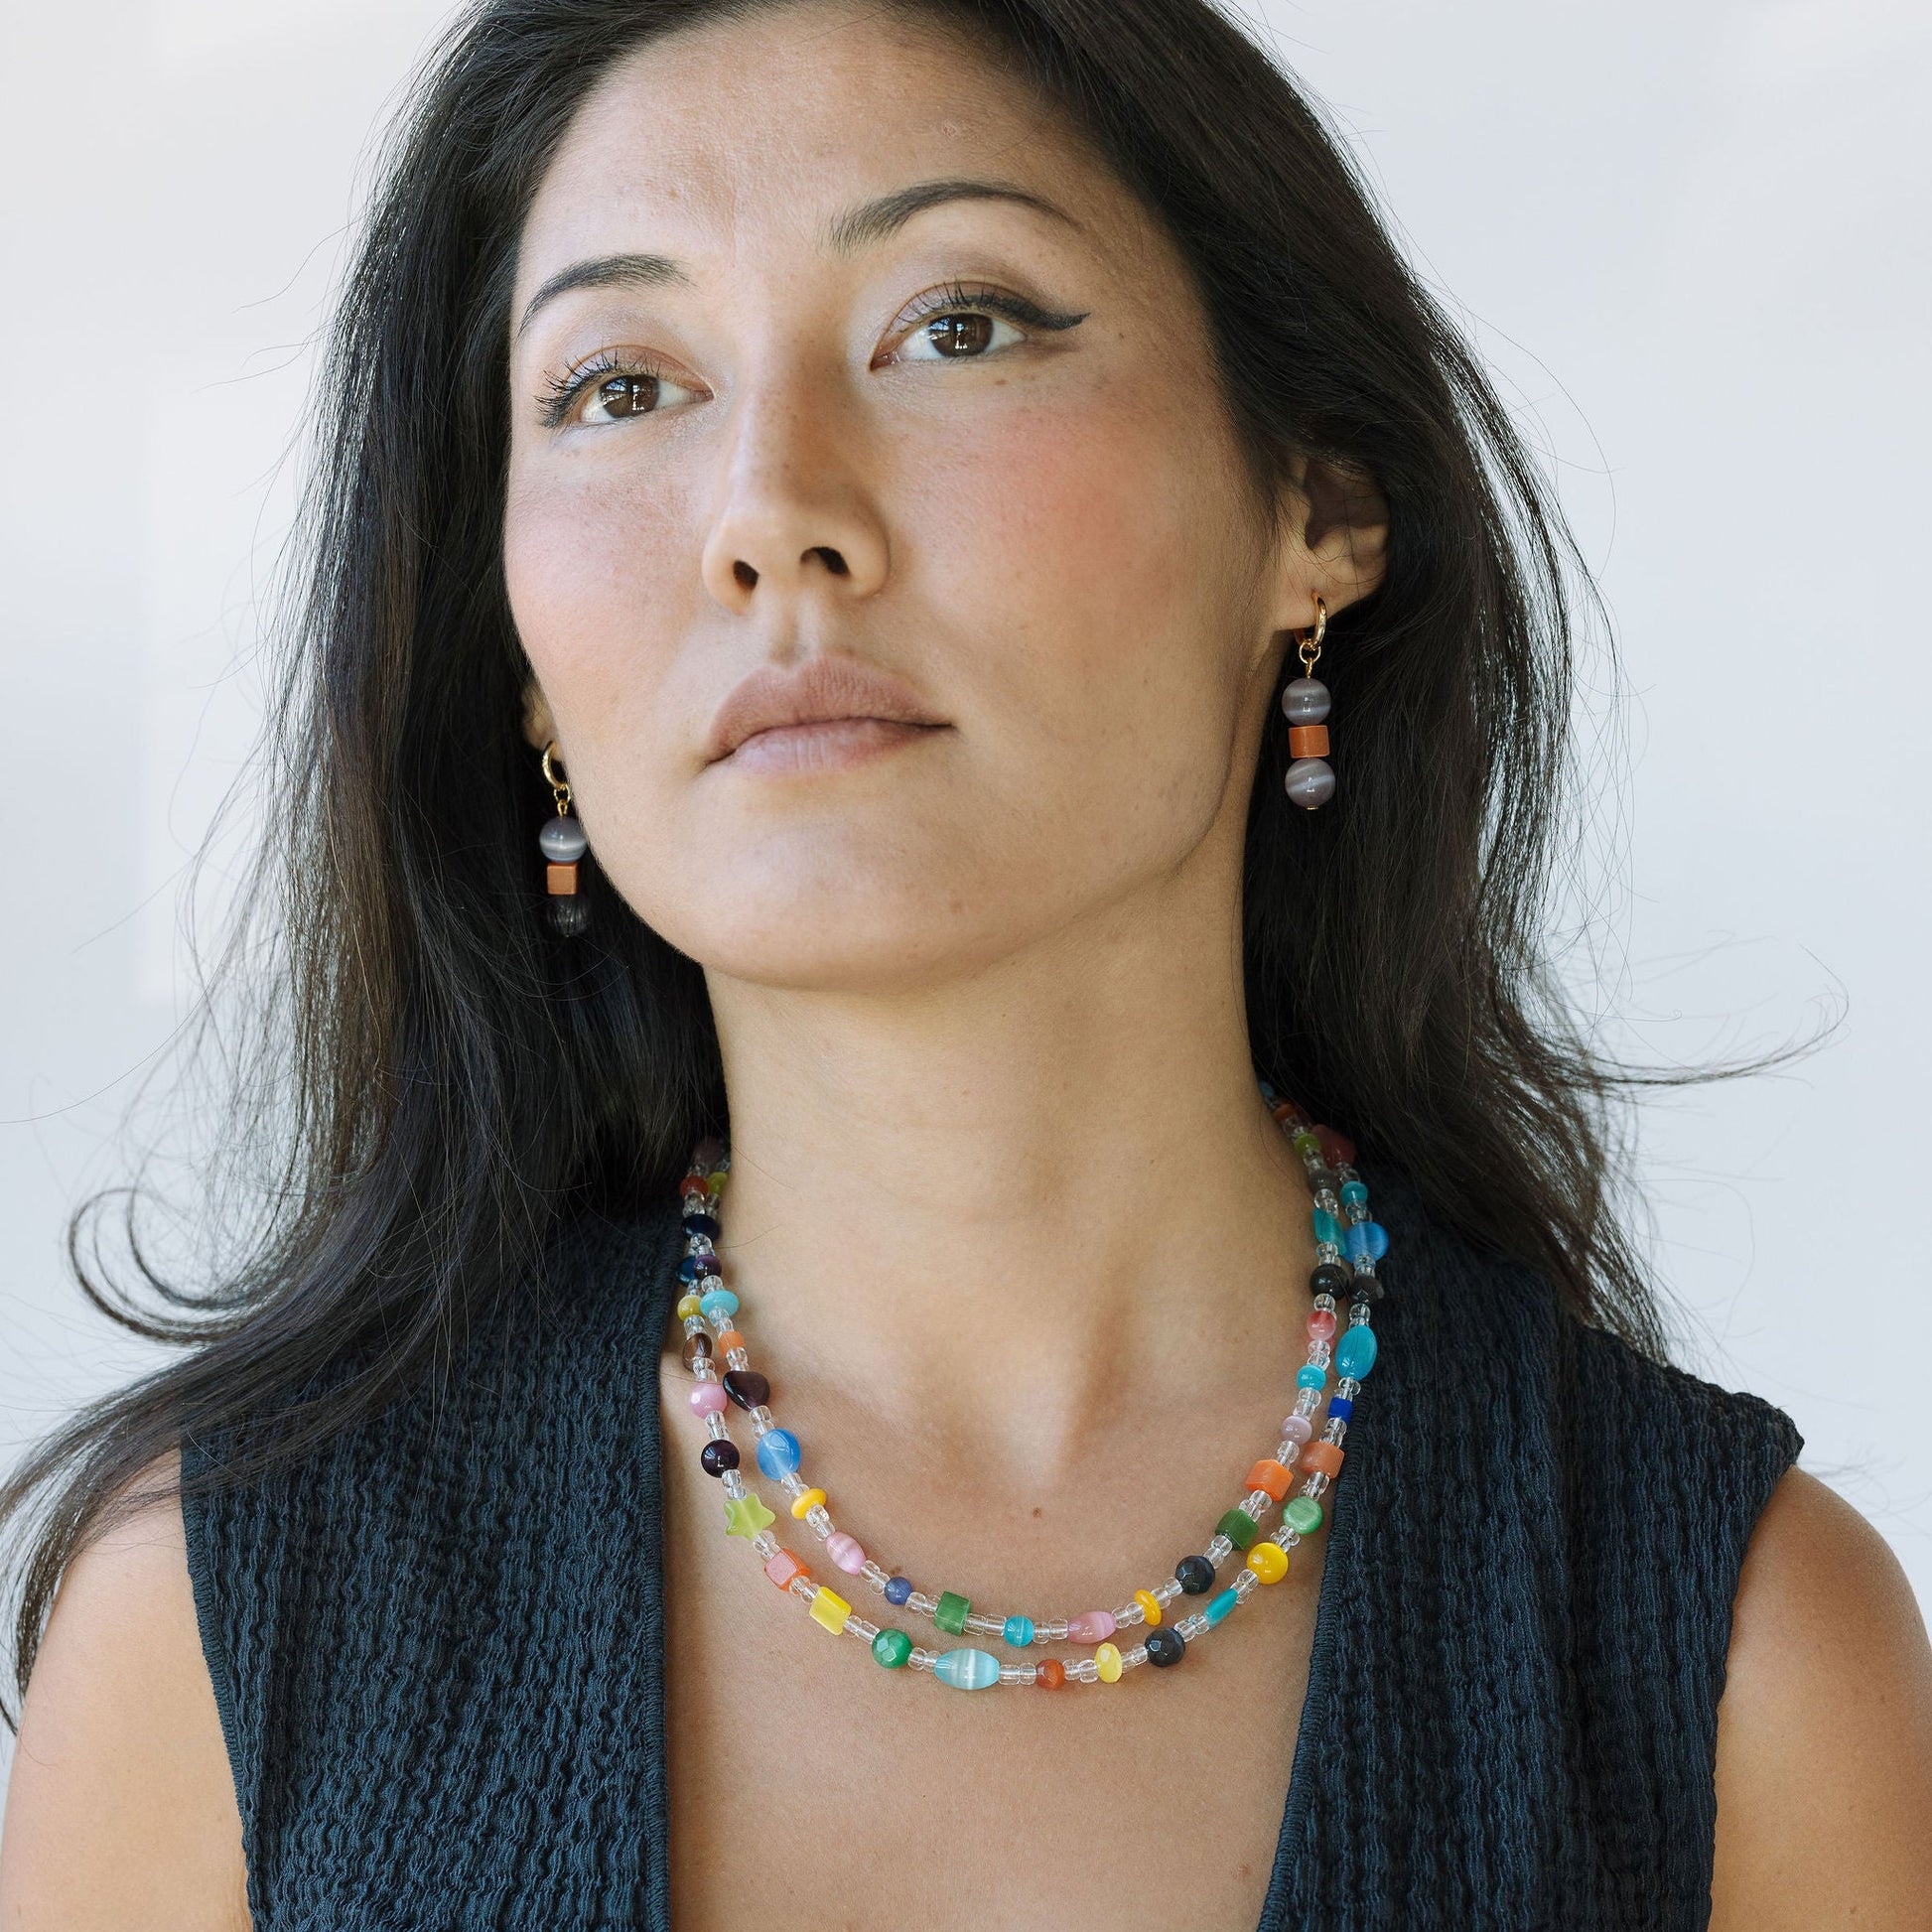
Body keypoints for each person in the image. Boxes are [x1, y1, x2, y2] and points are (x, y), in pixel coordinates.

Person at [3, 0, 1930, 1925]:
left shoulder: (1738, 1657)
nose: (771, 513)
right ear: (515, 659)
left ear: (1318, 506)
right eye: (619, 383)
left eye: (958, 327)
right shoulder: (223, 1622)